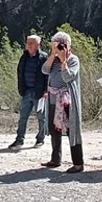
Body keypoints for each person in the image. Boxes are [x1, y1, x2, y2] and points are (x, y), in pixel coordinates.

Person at [40, 31, 85, 173]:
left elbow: (68, 77)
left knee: (72, 130)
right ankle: (55, 159)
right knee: (54, 130)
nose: (60, 47)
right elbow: (44, 70)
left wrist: (63, 60)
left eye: (62, 44)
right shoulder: (52, 59)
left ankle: (78, 163)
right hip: (53, 99)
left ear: (68, 45)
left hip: (67, 101)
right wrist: (53, 55)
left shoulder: (73, 60)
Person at [8, 35, 48, 149]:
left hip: (39, 93)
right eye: (28, 42)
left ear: (38, 45)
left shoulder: (43, 57)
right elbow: (20, 73)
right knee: (23, 117)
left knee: (41, 117)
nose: (29, 45)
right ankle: (19, 140)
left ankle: (40, 139)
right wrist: (21, 89)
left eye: (32, 43)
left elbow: (47, 76)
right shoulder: (24, 57)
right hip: (26, 92)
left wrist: (46, 91)